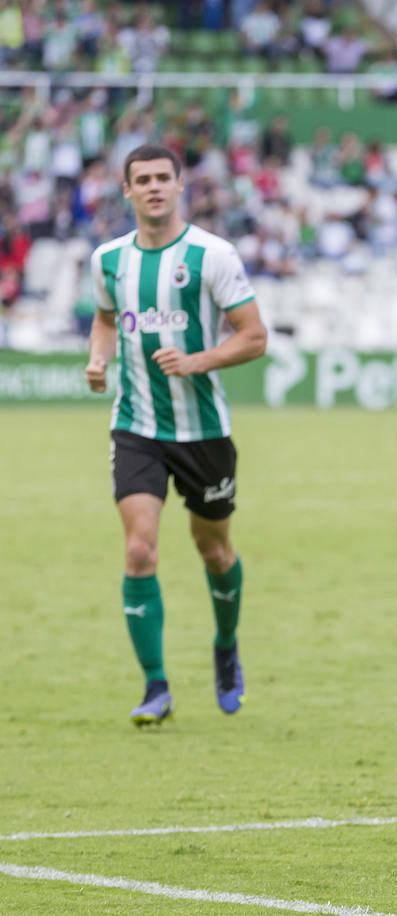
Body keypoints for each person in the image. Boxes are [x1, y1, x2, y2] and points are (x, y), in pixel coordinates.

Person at [84, 144, 268, 726]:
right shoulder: (108, 259)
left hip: (203, 431)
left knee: (213, 550)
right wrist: (98, 358)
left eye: (164, 177)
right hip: (135, 424)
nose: (155, 187)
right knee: (139, 549)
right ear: (127, 191)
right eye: (143, 180)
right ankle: (155, 686)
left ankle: (225, 646)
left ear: (180, 185)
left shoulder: (213, 255)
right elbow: (106, 317)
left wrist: (197, 360)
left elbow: (254, 336)